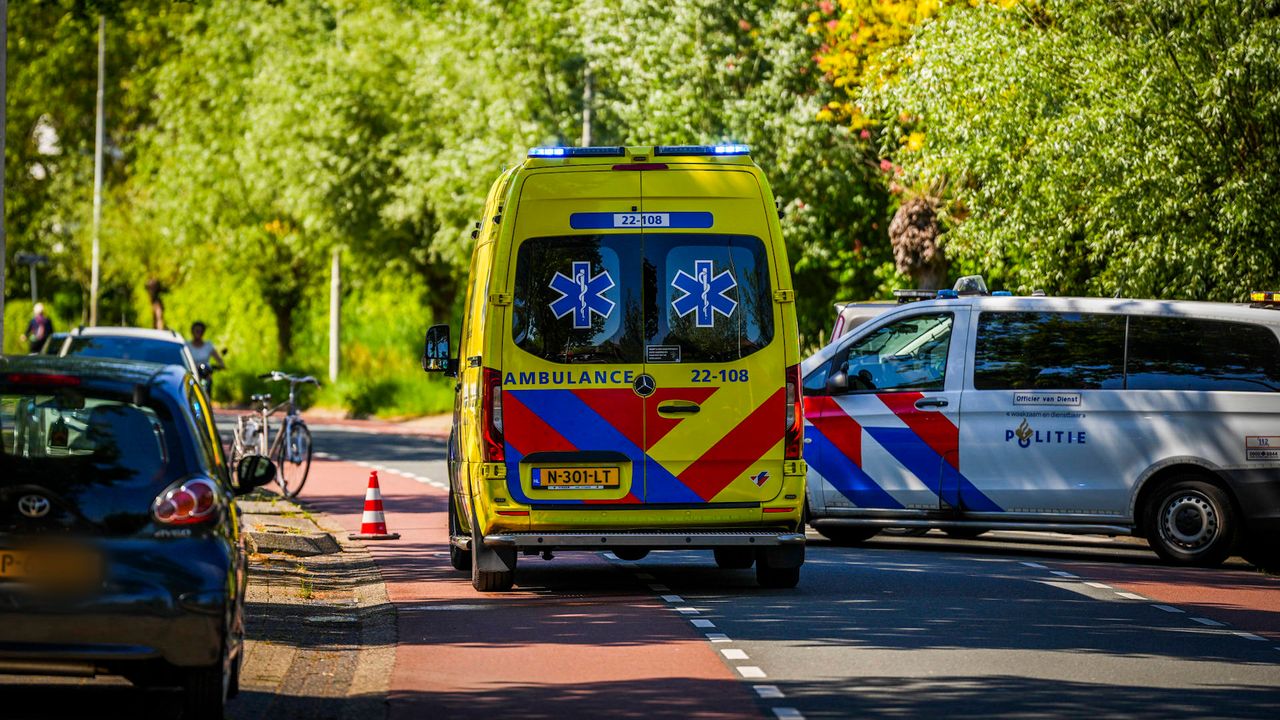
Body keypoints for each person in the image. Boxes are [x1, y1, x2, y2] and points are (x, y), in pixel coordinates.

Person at [187, 321, 226, 396]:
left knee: (208, 386)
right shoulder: (187, 345)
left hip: (205, 374)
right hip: (192, 374)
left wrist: (221, 364)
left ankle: (208, 400)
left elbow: (218, 358)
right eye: (197, 331)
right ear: (192, 332)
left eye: (200, 331)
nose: (198, 333)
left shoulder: (208, 345)